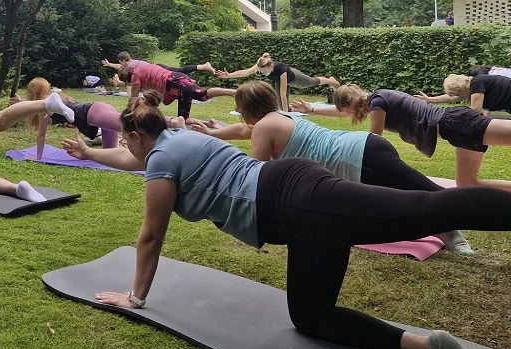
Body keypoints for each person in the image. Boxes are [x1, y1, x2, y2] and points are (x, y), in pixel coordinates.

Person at [61, 92, 509, 349]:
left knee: (423, 210)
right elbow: (131, 161)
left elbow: (151, 235)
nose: (125, 147)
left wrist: (136, 297)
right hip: (297, 212)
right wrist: (89, 153)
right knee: (312, 318)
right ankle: (426, 348)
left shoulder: (161, 158)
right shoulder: (176, 141)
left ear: (136, 135)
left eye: (125, 140)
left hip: (294, 202)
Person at [193, 81, 472, 254]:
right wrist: (214, 133)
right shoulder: (280, 116)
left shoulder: (264, 127)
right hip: (364, 148)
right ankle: (456, 220)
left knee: (420, 196)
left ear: (245, 108)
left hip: (359, 159)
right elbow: (246, 129)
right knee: (413, 194)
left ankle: (463, 222)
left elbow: (258, 172)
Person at [294, 84, 511, 191]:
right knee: (466, 184)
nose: (347, 114)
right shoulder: (376, 99)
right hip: (454, 132)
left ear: (350, 101)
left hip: (455, 123)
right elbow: (341, 113)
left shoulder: (378, 102)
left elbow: (373, 138)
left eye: (346, 108)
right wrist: (311, 109)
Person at [26, 77, 188, 157]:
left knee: (134, 122)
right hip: (96, 110)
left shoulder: (44, 105)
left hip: (92, 114)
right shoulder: (51, 99)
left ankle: (173, 122)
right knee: (111, 153)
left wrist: (38, 158)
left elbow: (41, 135)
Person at [217, 53, 339, 112]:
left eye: (264, 71)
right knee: (280, 105)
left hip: (294, 77)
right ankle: (290, 110)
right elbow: (245, 72)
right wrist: (229, 75)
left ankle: (330, 80)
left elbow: (283, 93)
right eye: (260, 70)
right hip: (278, 81)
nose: (262, 72)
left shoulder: (281, 69)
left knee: (311, 82)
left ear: (271, 66)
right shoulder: (261, 64)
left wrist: (286, 115)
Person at [117, 63, 235, 120]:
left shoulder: (136, 76)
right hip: (175, 79)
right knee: (184, 116)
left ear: (128, 78)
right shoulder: (141, 67)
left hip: (173, 82)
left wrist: (127, 115)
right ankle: (231, 93)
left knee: (201, 95)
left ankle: (232, 92)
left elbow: (133, 97)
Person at [417, 74, 511, 115]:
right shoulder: (474, 84)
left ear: (460, 88)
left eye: (457, 93)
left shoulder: (476, 84)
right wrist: (430, 99)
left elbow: (476, 111)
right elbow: (450, 98)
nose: (458, 96)